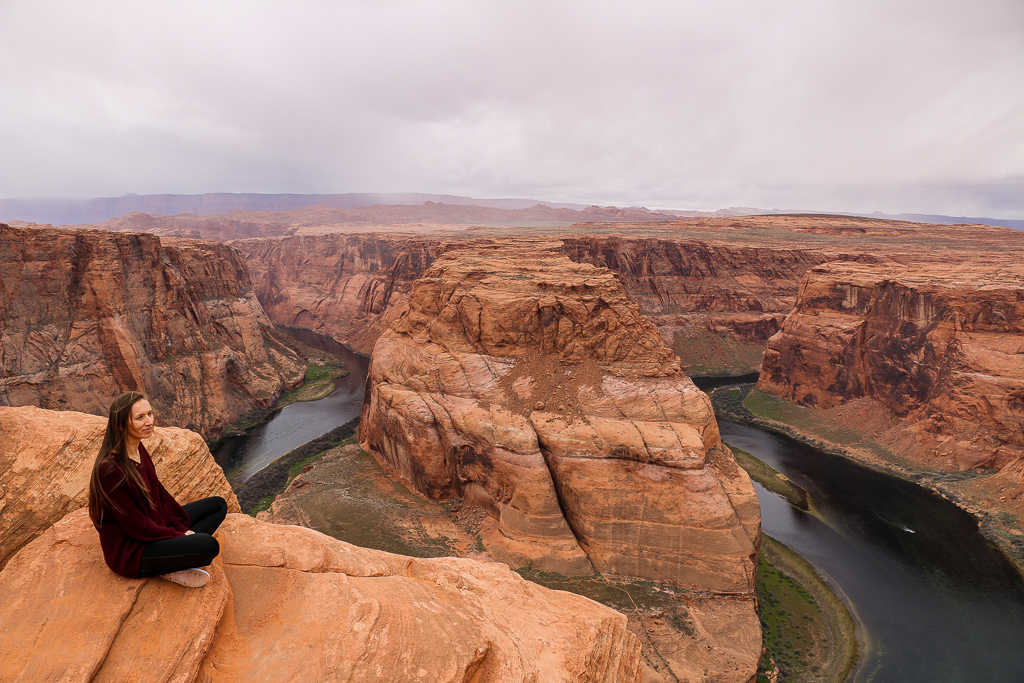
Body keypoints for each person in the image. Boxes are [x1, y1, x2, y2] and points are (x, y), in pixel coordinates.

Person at [87, 391, 227, 588]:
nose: (149, 421)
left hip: (155, 526)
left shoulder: (137, 448)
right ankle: (167, 566)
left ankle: (173, 557)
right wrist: (179, 536)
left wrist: (180, 529)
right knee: (209, 545)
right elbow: (137, 527)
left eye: (150, 414)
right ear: (120, 425)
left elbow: (161, 496)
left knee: (217, 505)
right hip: (133, 551)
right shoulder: (111, 470)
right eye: (139, 417)